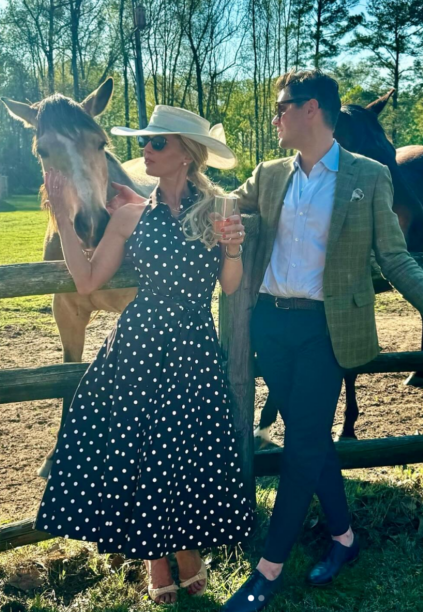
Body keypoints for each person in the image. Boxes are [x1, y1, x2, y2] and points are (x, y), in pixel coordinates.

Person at [221, 69, 423, 612]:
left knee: (301, 443)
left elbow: (393, 256)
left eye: (282, 107)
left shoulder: (368, 177)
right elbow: (226, 205)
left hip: (328, 330)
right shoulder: (270, 174)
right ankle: (345, 538)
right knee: (310, 436)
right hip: (272, 327)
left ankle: (268, 569)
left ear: (313, 110)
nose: (275, 116)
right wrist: (199, 213)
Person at [33, 105, 253, 605]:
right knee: (141, 453)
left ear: (185, 154)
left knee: (187, 453)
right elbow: (87, 280)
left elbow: (230, 285)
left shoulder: (218, 208)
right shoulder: (129, 214)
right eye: (145, 143)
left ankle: (189, 551)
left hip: (193, 347)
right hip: (139, 347)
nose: (145, 152)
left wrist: (234, 249)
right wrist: (64, 218)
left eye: (157, 144)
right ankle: (157, 559)